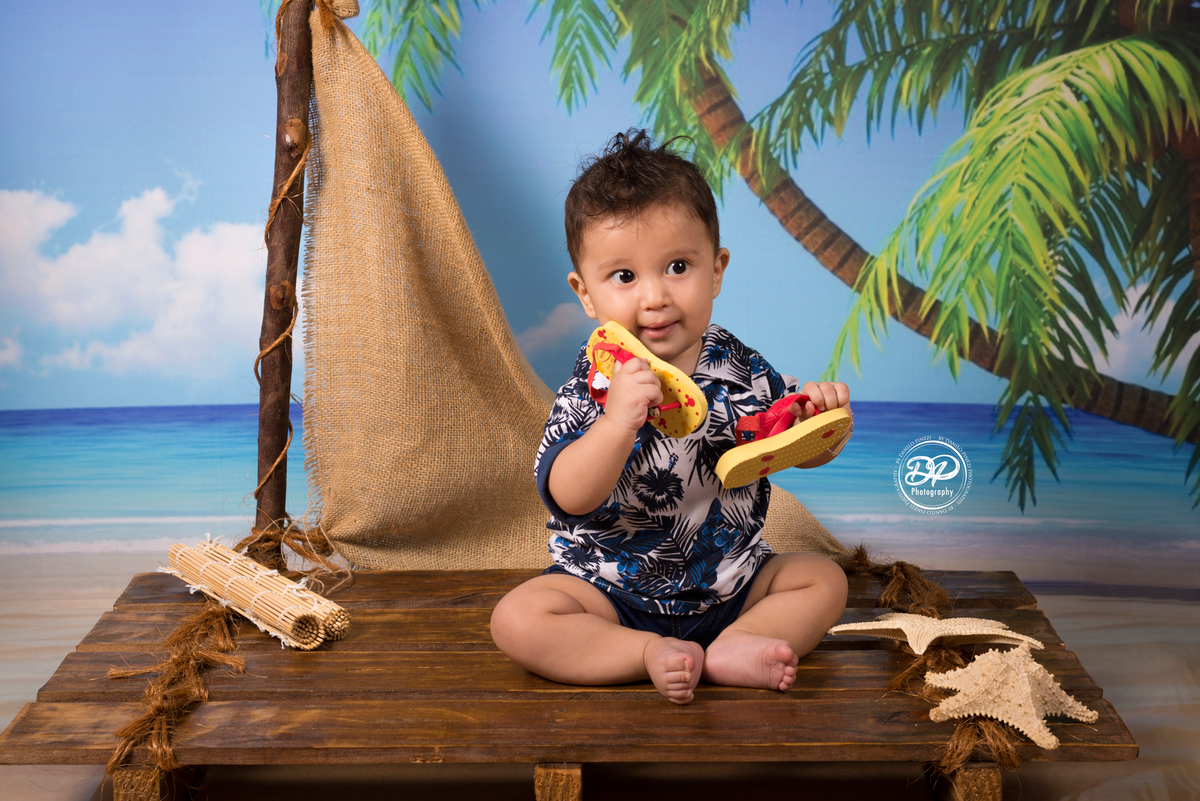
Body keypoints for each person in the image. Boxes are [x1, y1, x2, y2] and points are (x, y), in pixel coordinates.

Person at [490, 129, 851, 704]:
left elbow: (785, 446)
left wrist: (818, 424)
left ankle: (741, 643)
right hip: (608, 592)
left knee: (823, 580)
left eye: (678, 266)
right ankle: (642, 652)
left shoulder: (741, 365)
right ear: (586, 294)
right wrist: (615, 424)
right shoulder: (593, 382)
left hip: (731, 584)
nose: (655, 296)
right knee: (518, 618)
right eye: (625, 276)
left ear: (717, 269)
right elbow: (567, 494)